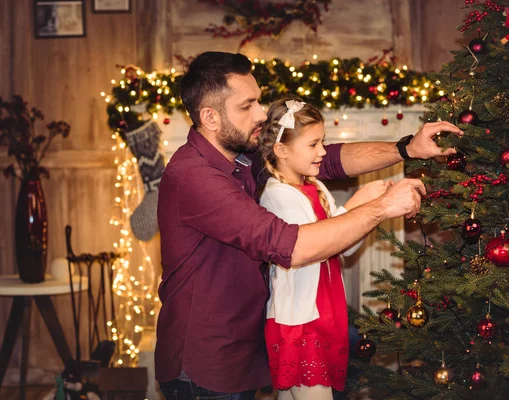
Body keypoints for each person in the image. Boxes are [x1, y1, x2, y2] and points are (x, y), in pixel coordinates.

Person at [155, 51, 463, 400]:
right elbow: (290, 246)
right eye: (247, 106)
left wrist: (407, 148)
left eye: (258, 101)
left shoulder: (242, 156)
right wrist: (381, 207)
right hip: (204, 364)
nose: (260, 114)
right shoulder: (194, 177)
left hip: (242, 352)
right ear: (210, 117)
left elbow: (325, 160)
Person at [258, 97, 392, 399]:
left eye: (323, 142)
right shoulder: (278, 195)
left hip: (323, 315)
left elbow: (342, 245)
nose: (322, 152)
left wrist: (366, 205)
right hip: (300, 322)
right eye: (313, 144)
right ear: (281, 150)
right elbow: (315, 247)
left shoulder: (315, 187)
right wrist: (364, 205)